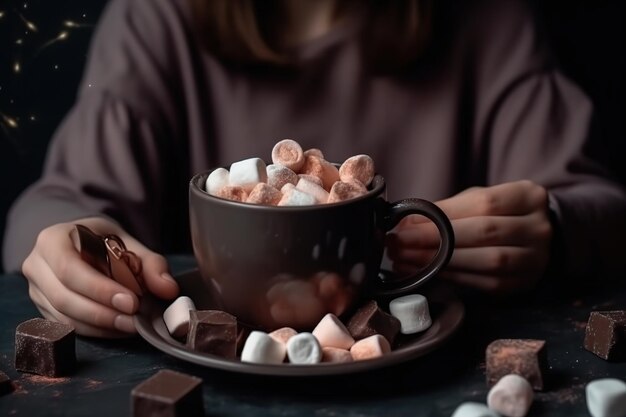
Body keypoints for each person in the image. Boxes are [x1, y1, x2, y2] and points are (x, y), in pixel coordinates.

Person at [2, 0, 625, 338]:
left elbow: (602, 204)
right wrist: (65, 236)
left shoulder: (492, 22)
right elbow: (58, 199)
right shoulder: (155, 19)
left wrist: (556, 225)